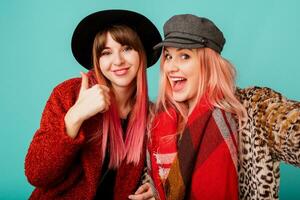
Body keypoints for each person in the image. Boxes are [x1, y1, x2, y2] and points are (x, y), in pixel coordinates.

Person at [130, 14, 300, 200]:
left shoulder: (253, 108)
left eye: (184, 56)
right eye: (169, 56)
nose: (171, 67)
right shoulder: (157, 121)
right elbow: (158, 181)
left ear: (209, 64)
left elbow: (291, 128)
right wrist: (155, 191)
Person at [24, 9, 161, 199]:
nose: (118, 61)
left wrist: (155, 188)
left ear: (142, 54)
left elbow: (160, 170)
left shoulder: (153, 116)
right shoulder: (68, 94)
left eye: (127, 49)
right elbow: (36, 174)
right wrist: (75, 117)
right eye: (106, 52)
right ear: (97, 59)